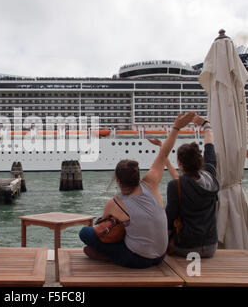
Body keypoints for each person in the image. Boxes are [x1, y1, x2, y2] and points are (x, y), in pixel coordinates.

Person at [79, 112, 196, 268]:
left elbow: (103, 232)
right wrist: (175, 128)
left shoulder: (114, 203)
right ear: (137, 175)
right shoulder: (150, 184)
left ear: (118, 180)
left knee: (85, 233)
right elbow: (164, 154)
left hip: (139, 259)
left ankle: (109, 256)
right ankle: (111, 254)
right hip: (161, 255)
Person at [165, 115, 219, 258]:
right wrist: (206, 126)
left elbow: (169, 219)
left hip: (185, 247)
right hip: (210, 247)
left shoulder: (175, 185)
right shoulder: (211, 177)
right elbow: (210, 150)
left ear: (179, 163)